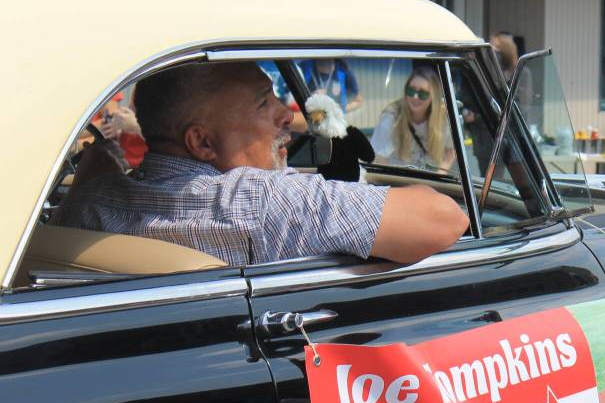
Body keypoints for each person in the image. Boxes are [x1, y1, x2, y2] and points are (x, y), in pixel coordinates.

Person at [53, 61, 468, 266]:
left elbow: (104, 185)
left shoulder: (89, 203)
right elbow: (443, 218)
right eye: (263, 104)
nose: (287, 116)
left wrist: (99, 166)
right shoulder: (261, 200)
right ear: (201, 141)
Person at [370, 66, 456, 172]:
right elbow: (379, 158)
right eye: (411, 90)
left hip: (431, 182)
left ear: (433, 96)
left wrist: (441, 173)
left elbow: (451, 149)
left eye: (422, 93)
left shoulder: (444, 117)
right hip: (399, 181)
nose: (415, 96)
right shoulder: (392, 117)